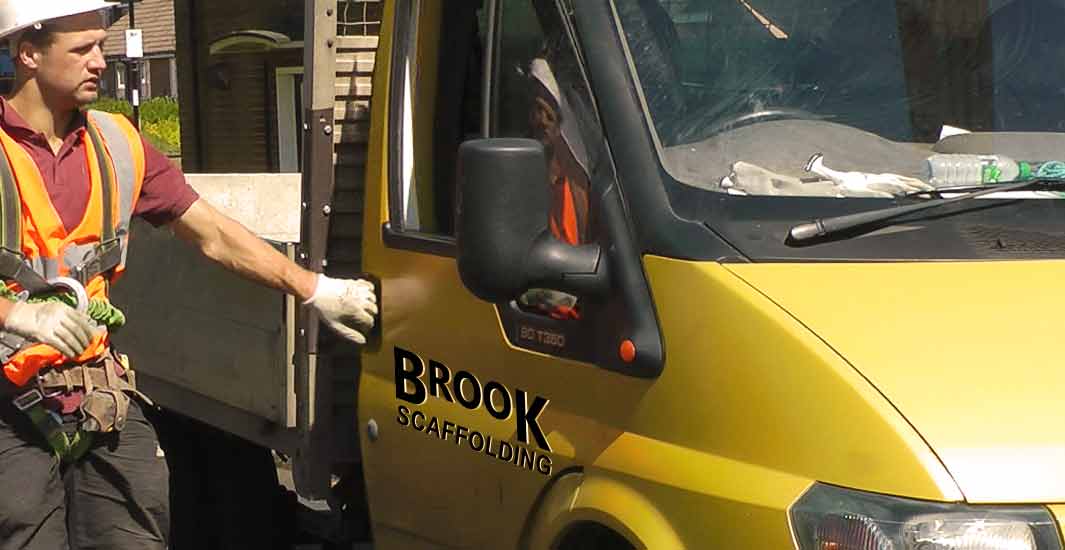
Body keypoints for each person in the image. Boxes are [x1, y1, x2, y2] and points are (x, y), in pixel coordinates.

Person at [0, 3, 378, 549]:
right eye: (82, 49)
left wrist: (314, 288)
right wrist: (18, 314)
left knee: (138, 531)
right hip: (9, 405)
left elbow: (213, 234)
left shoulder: (117, 145)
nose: (99, 62)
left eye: (102, 47)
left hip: (96, 395)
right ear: (29, 53)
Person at [519, 56, 592, 320]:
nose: (540, 120)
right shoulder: (524, 174)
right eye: (535, 109)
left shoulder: (583, 183)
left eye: (548, 112)